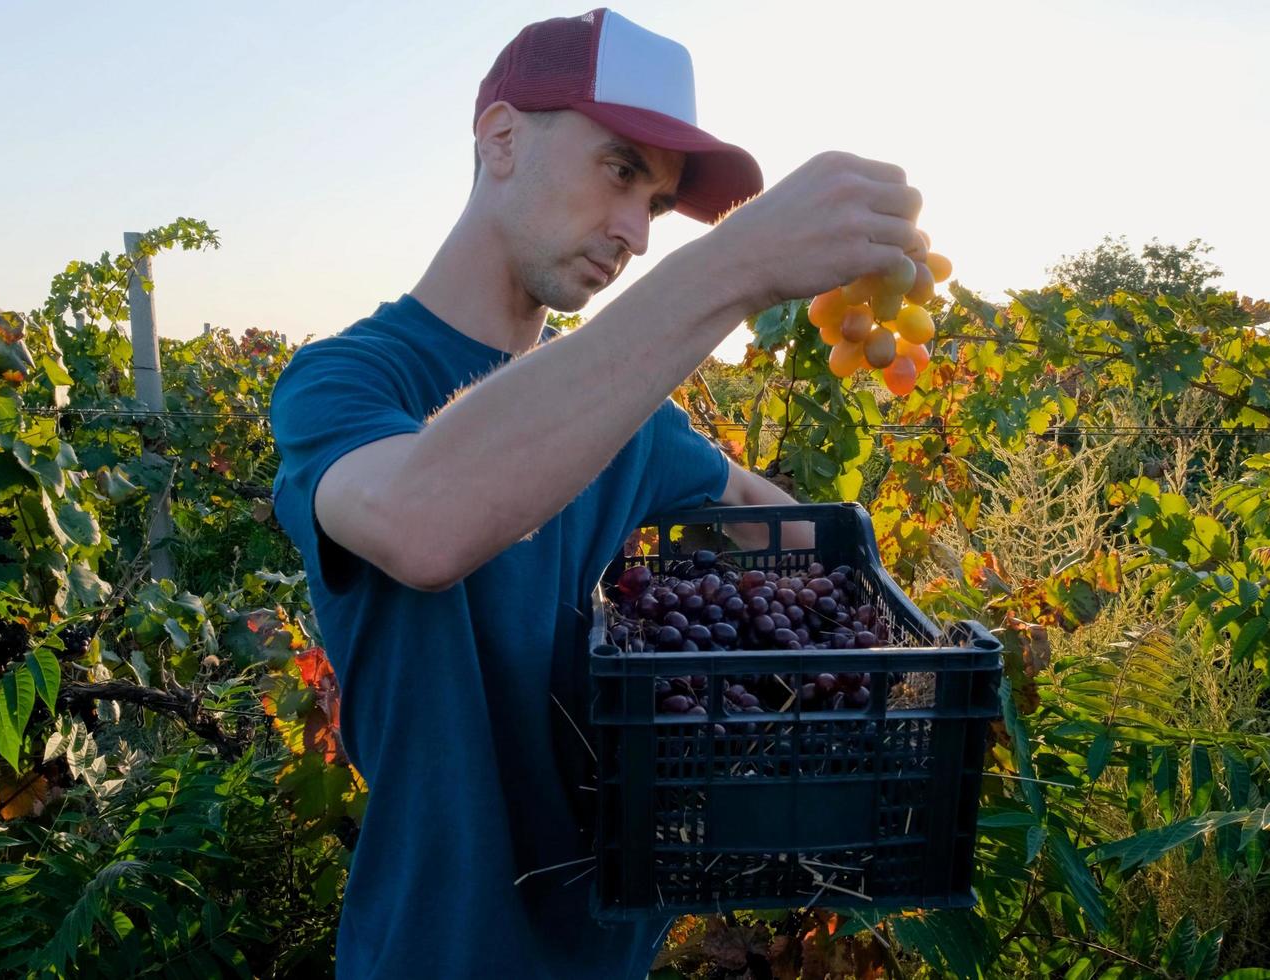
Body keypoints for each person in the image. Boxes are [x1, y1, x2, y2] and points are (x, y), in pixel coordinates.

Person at [268, 8, 926, 977]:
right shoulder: (351, 381)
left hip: (613, 953)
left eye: (658, 206)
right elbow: (420, 522)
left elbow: (777, 529)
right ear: (498, 138)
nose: (636, 233)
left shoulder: (635, 419)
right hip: (435, 954)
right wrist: (737, 265)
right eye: (619, 169)